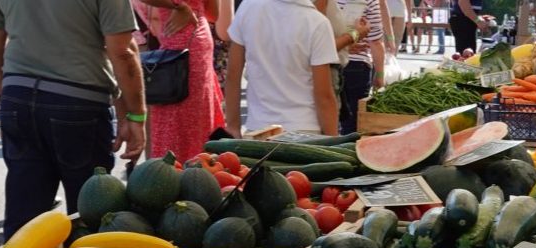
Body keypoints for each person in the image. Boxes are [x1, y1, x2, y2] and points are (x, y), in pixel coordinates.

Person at [0, 0, 150, 237]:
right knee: (90, 215)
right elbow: (122, 51)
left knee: (25, 221)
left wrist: (4, 95)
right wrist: (135, 115)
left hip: (18, 94)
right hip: (79, 101)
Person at [225, 0, 343, 136]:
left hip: (258, 129)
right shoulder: (317, 22)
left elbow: (232, 75)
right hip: (305, 129)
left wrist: (233, 126)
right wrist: (332, 140)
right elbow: (324, 96)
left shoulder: (249, 7)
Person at [132, 0, 225, 159]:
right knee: (196, 124)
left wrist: (177, 6)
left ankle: (173, 174)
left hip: (178, 47)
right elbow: (213, 14)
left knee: (173, 124)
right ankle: (197, 173)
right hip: (197, 40)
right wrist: (183, 6)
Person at [334, 0, 385, 135]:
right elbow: (376, 42)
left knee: (331, 118)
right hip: (356, 67)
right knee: (352, 127)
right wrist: (380, 77)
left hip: (329, 64)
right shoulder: (370, 1)